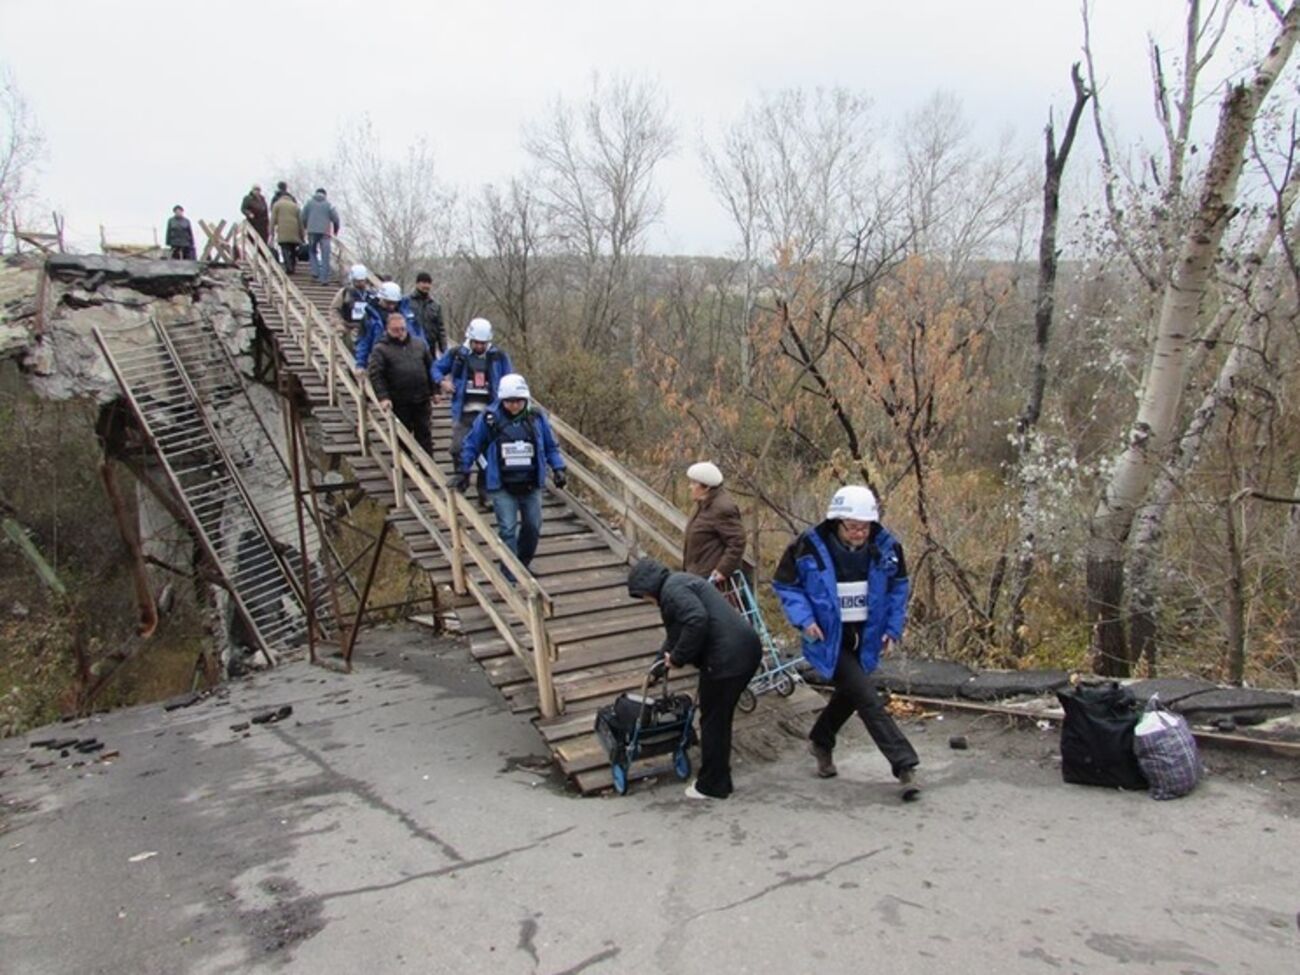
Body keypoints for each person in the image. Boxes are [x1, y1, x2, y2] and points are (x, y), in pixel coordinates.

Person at [772, 485, 920, 801]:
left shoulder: (887, 547)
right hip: (827, 639)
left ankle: (821, 740)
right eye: (852, 527)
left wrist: (892, 630)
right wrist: (805, 619)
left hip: (865, 637)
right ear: (837, 523)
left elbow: (898, 589)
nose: (858, 534)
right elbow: (786, 585)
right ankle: (904, 765)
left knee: (851, 694)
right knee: (867, 697)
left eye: (864, 527)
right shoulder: (807, 546)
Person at [627, 558, 762, 800]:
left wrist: (678, 659)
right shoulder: (681, 583)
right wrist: (656, 671)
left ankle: (712, 785)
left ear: (648, 588)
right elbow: (674, 636)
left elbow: (696, 620)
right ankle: (720, 779)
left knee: (713, 721)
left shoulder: (672, 591)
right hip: (745, 650)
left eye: (644, 596)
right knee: (719, 718)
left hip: (726, 659)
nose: (648, 601)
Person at [455, 374, 566, 580]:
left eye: (518, 401)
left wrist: (558, 468)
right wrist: (464, 469)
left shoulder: (536, 417)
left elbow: (550, 447)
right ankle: (510, 575)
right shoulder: (489, 418)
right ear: (502, 400)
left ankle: (522, 564)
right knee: (507, 529)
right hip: (502, 485)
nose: (514, 405)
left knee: (533, 527)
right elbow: (471, 444)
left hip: (531, 483)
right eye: (509, 401)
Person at [432, 318, 512, 505]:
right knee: (457, 449)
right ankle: (462, 479)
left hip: (489, 413)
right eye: (476, 342)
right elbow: (436, 367)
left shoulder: (498, 357)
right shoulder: (458, 354)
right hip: (464, 412)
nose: (479, 346)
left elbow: (510, 378)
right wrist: (442, 381)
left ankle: (485, 493)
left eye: (483, 343)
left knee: (488, 453)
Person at [367, 311, 434, 455]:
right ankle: (405, 469)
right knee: (402, 437)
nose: (400, 333)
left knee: (425, 434)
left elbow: (430, 368)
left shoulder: (419, 344)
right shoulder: (380, 349)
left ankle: (428, 470)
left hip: (421, 398)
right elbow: (376, 375)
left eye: (402, 329)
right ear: (388, 330)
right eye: (396, 330)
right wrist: (383, 397)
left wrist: (435, 391)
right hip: (399, 400)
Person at [681, 461, 746, 586]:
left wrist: (723, 569)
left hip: (712, 580)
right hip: (697, 574)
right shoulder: (702, 503)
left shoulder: (722, 508)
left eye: (694, 483)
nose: (690, 487)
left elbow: (737, 541)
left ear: (706, 487)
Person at [355, 281, 423, 372]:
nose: (391, 306)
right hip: (382, 361)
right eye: (388, 303)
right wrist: (360, 364)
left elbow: (419, 336)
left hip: (408, 359)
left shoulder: (408, 314)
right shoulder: (369, 317)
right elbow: (363, 341)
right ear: (381, 298)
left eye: (394, 303)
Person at [300, 188, 340, 284]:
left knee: (312, 251)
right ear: (325, 195)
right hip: (325, 233)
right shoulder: (328, 205)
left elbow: (302, 217)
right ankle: (324, 279)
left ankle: (315, 272)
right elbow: (336, 218)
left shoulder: (309, 204)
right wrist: (335, 230)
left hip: (312, 232)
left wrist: (306, 227)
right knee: (325, 255)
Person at [408, 271, 446, 355]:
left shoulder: (435, 305)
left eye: (429, 283)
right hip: (411, 348)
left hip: (430, 349)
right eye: (423, 282)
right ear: (417, 284)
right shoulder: (407, 302)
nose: (426, 286)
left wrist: (444, 350)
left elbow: (441, 330)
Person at [330, 264, 373, 333]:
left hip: (367, 329)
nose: (360, 283)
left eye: (362, 280)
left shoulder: (371, 294)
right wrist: (338, 323)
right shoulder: (345, 292)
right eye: (357, 281)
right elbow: (334, 309)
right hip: (348, 328)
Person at [270, 190, 304, 274]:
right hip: (294, 231)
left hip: (283, 230)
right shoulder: (295, 206)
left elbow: (273, 220)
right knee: (292, 249)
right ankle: (293, 265)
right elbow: (300, 222)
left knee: (284, 248)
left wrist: (271, 232)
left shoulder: (277, 205)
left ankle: (289, 267)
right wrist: (302, 235)